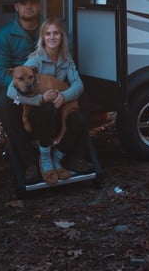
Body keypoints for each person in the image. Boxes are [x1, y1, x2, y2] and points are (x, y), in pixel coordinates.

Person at [8, 16, 93, 185]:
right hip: (41, 112)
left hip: (59, 106)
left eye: (56, 33)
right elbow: (11, 91)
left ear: (62, 37)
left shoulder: (67, 60)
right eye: (48, 34)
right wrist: (40, 99)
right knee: (46, 111)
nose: (52, 37)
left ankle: (60, 155)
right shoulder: (35, 60)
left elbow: (78, 84)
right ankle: (45, 157)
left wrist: (64, 97)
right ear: (43, 38)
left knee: (80, 116)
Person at [0, 0, 44, 183]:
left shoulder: (50, 30)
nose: (29, 6)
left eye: (32, 2)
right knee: (5, 105)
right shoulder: (5, 35)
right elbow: (0, 70)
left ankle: (64, 155)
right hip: (17, 88)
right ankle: (31, 161)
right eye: (24, 3)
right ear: (16, 7)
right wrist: (20, 89)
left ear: (39, 5)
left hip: (43, 84)